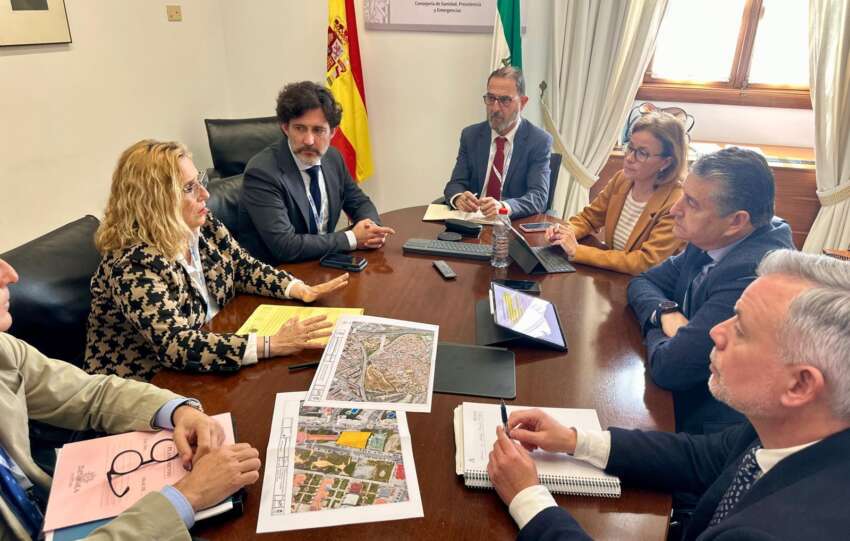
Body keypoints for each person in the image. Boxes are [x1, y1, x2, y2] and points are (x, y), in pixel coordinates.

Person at [488, 250, 850, 540]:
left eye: (740, 328)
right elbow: (699, 458)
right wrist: (573, 440)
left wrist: (529, 500)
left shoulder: (773, 530)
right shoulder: (789, 429)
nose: (714, 333)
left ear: (801, 385)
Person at [0, 258, 261, 540]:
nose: (12, 275)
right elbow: (176, 344)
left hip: (58, 511)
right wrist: (186, 498)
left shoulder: (4, 349)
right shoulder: (132, 264)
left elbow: (92, 394)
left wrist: (176, 411)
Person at [85, 140, 348, 381]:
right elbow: (176, 345)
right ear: (154, 201)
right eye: (189, 188)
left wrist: (297, 288)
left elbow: (242, 267)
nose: (204, 194)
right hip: (149, 387)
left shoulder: (202, 224)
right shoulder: (131, 263)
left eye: (199, 180)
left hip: (213, 358)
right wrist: (271, 344)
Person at [627, 147, 794, 434]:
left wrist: (669, 334)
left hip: (712, 429)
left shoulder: (754, 273)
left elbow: (671, 368)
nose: (674, 210)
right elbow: (643, 281)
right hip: (679, 396)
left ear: (736, 221)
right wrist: (667, 313)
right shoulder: (710, 237)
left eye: (691, 203)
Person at [238, 81, 394, 264]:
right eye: (300, 128)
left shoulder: (333, 158)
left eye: (318, 130)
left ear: (333, 132)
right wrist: (353, 238)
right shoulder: (262, 173)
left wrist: (371, 229)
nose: (309, 140)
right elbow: (285, 246)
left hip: (320, 263)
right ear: (285, 128)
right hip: (280, 275)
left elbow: (359, 202)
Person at [545, 112, 687, 275]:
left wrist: (577, 251)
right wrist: (564, 233)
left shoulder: (676, 201)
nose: (629, 158)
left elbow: (645, 262)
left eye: (642, 153)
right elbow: (589, 218)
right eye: (630, 147)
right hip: (613, 276)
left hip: (647, 286)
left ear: (666, 162)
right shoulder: (622, 179)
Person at [443, 66, 553, 219]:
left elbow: (538, 197)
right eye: (490, 98)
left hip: (511, 228)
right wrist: (459, 198)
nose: (494, 108)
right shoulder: (471, 135)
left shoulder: (538, 141)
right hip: (471, 224)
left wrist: (503, 207)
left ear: (523, 102)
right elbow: (455, 184)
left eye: (504, 100)